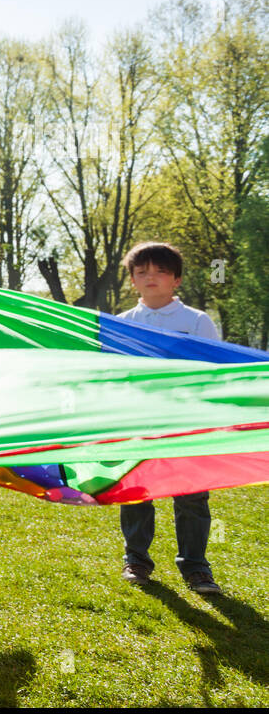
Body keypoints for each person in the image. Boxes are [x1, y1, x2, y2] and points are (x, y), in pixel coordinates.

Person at [116, 241, 223, 595]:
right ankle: (136, 560)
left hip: (185, 422)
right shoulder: (121, 325)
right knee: (136, 492)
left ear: (175, 279)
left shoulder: (195, 321)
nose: (151, 278)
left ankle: (196, 567)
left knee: (191, 496)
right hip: (137, 422)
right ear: (132, 279)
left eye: (160, 271)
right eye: (142, 271)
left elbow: (214, 372)